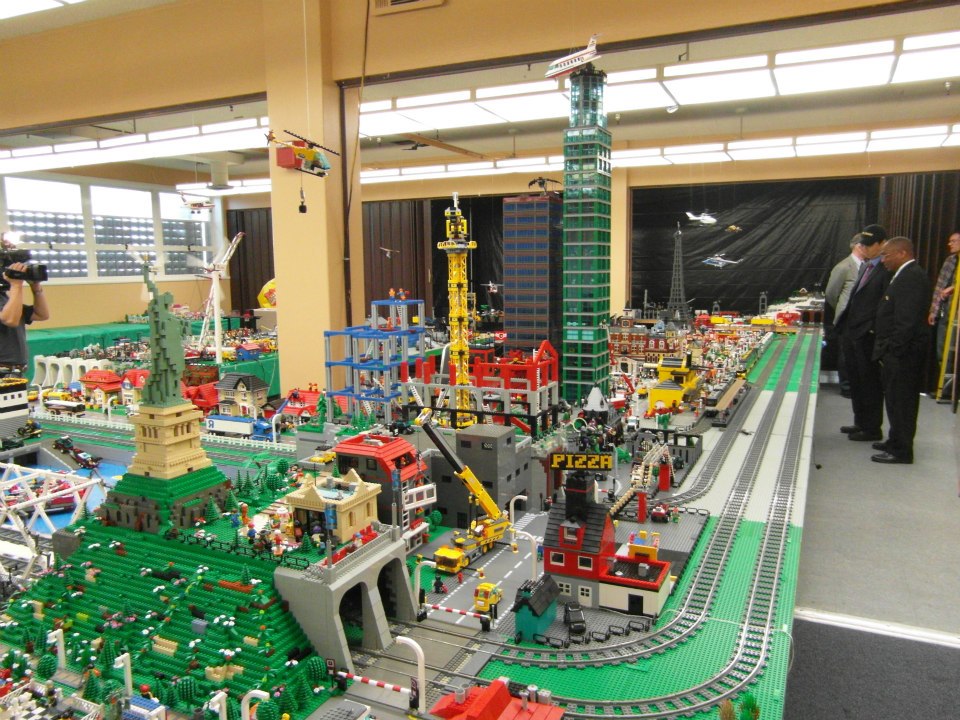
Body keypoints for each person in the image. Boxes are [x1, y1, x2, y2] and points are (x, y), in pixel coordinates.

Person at [871, 237, 931, 464]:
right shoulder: (903, 274)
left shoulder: (911, 277)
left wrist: (893, 350)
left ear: (902, 253)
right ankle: (895, 440)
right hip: (898, 351)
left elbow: (906, 321)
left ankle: (901, 450)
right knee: (895, 400)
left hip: (903, 354)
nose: (883, 260)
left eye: (886, 255)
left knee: (902, 402)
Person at [835, 224, 889, 442]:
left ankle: (872, 428)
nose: (864, 248)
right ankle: (861, 422)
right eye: (862, 245)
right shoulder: (866, 266)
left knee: (869, 382)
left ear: (882, 244)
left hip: (868, 334)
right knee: (856, 380)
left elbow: (883, 305)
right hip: (853, 332)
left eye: (869, 245)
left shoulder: (885, 269)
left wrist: (871, 329)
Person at [824, 233, 866, 397]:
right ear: (858, 246)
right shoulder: (843, 267)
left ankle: (859, 385)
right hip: (847, 317)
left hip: (863, 318)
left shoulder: (868, 266)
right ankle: (847, 387)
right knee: (846, 353)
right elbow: (831, 293)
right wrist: (843, 308)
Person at [0, 258, 50, 374]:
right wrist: (16, 285)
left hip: (14, 370)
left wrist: (36, 287)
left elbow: (41, 314)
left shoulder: (4, 297)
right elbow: (10, 320)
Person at [927, 230, 959, 378]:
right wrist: (933, 310)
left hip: (957, 312)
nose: (950, 244)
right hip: (945, 309)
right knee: (941, 349)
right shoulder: (950, 261)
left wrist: (955, 287)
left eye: (953, 241)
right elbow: (939, 286)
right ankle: (944, 383)